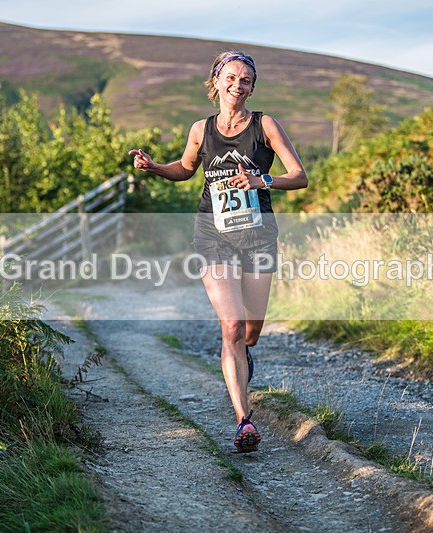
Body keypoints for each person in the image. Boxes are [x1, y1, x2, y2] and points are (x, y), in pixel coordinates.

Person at [129, 51, 308, 453]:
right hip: (213, 235)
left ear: (252, 88)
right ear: (216, 81)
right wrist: (156, 167)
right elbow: (187, 168)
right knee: (231, 326)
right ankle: (244, 421)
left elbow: (300, 177)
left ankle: (242, 357)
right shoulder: (200, 129)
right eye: (230, 78)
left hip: (259, 236)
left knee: (250, 331)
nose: (237, 86)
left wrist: (263, 180)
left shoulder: (265, 125)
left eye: (245, 80)